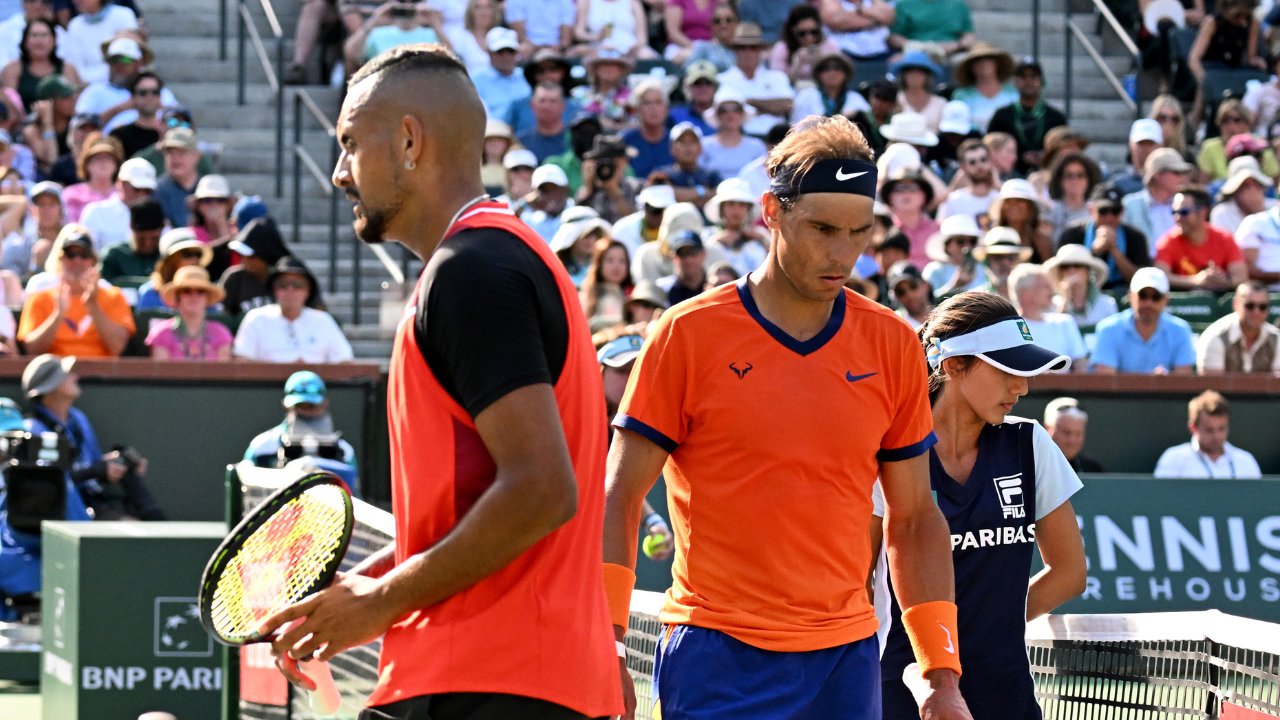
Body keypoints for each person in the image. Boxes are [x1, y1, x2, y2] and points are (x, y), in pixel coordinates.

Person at [255, 44, 625, 718]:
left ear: (407, 141)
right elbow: (482, 500)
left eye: (348, 144)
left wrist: (383, 600)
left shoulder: (470, 272)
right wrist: (365, 591)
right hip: (520, 680)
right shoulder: (500, 259)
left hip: (485, 682)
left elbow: (542, 490)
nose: (340, 172)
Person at [601, 113, 971, 720]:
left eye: (859, 232)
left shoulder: (894, 344)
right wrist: (608, 640)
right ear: (772, 212)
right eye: (822, 229)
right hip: (715, 654)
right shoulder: (685, 333)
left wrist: (940, 673)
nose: (842, 253)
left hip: (845, 661)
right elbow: (619, 494)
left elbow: (913, 519)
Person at [873, 291, 1084, 720]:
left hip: (1007, 697)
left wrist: (991, 623)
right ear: (952, 365)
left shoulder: (1031, 443)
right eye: (1008, 369)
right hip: (903, 694)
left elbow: (1070, 573)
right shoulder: (886, 450)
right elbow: (857, 585)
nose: (1021, 388)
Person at [24, 353, 164, 521]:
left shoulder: (78, 418)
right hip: (63, 509)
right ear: (51, 386)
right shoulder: (34, 429)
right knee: (130, 528)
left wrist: (115, 465)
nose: (75, 377)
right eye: (67, 375)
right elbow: (49, 483)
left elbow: (91, 464)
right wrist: (96, 470)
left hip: (94, 502)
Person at [597, 334, 674, 560]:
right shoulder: (579, 419)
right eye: (622, 371)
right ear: (598, 373)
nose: (633, 379)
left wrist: (652, 520)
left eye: (639, 369)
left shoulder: (644, 422)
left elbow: (620, 483)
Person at [17, 225, 134, 357]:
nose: (77, 260)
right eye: (70, 254)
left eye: (84, 255)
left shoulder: (114, 296)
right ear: (60, 260)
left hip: (101, 373)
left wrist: (92, 304)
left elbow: (117, 347)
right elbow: (31, 350)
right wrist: (57, 315)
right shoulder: (39, 298)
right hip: (55, 372)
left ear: (93, 261)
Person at [234, 256, 351, 363]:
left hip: (317, 384)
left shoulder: (324, 321)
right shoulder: (256, 318)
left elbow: (344, 361)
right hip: (267, 385)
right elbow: (242, 360)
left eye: (297, 285)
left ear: (308, 290)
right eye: (283, 285)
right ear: (274, 289)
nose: (290, 290)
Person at [244, 371, 357, 472]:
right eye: (299, 406)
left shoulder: (344, 452)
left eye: (311, 406)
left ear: (325, 404)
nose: (306, 413)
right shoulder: (262, 447)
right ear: (285, 406)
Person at [1092, 266, 1195, 374]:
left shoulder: (1181, 330)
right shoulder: (1108, 329)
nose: (1148, 303)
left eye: (1156, 297)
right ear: (1131, 296)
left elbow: (1183, 380)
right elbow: (1106, 382)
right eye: (1143, 295)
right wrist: (1149, 382)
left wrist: (1161, 383)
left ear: (1166, 300)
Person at [1187, 0, 1266, 130]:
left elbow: (1250, 57)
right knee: (1208, 83)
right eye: (1237, 16)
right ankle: (1197, 120)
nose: (1241, 21)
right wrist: (1204, 80)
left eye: (1244, 16)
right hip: (1213, 70)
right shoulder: (1212, 22)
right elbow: (1193, 59)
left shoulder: (1252, 23)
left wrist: (1256, 61)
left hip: (1236, 72)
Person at [1154, 184, 1248, 291]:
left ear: (1203, 212)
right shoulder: (1168, 241)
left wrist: (1223, 281)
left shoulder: (1224, 238)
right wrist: (1196, 281)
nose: (1178, 218)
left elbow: (1241, 277)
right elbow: (1160, 276)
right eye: (1174, 212)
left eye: (1184, 212)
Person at [1057, 183, 1149, 290]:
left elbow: (1139, 281)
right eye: (1103, 211)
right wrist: (1095, 251)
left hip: (1123, 293)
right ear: (1091, 210)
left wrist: (1114, 249)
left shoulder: (1135, 237)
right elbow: (1065, 273)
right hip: (1082, 291)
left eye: (1115, 211)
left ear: (1122, 211)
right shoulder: (1072, 234)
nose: (1109, 217)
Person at [1153, 390, 1261, 478]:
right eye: (1209, 430)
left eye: (1221, 429)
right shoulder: (1174, 459)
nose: (1216, 436)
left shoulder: (1246, 461)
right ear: (1193, 428)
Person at [986, 59, 1067, 175]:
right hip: (1008, 174)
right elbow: (990, 146)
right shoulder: (1002, 115)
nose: (1028, 81)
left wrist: (1046, 156)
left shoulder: (1056, 117)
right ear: (1015, 81)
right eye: (1023, 76)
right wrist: (1019, 157)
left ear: (1042, 81)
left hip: (1048, 173)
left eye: (1033, 76)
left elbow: (1066, 147)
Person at [716, 22, 794, 136]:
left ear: (760, 49)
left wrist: (749, 103)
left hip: (777, 138)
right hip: (742, 138)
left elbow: (787, 105)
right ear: (735, 50)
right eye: (742, 47)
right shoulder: (722, 79)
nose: (747, 52)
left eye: (753, 47)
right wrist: (771, 108)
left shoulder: (777, 77)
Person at [1007, 263, 1088, 371]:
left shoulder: (1065, 322)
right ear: (1025, 293)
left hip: (1064, 387)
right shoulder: (1008, 328)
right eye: (1045, 286)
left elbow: (1081, 366)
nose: (1052, 291)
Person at [145, 265, 233, 360]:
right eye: (187, 291)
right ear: (177, 297)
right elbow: (160, 373)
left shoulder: (221, 333)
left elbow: (224, 372)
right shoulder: (161, 333)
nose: (194, 296)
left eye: (200, 291)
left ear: (207, 298)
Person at [343, 1, 451, 77]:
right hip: (385, 90)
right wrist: (374, 21)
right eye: (401, 1)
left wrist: (435, 23)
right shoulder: (378, 33)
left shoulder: (430, 34)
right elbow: (351, 53)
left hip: (422, 89)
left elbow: (452, 58)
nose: (407, 5)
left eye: (414, 1)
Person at [1197, 280, 1280, 373]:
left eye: (1263, 306)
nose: (1256, 312)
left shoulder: (1276, 338)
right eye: (1250, 306)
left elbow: (1276, 383)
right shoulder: (1215, 337)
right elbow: (1212, 384)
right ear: (1236, 304)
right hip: (1221, 388)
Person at [0, 18, 80, 112]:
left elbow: (75, 104)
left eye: (44, 35)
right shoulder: (11, 69)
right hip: (23, 124)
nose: (39, 41)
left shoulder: (67, 68)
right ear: (25, 40)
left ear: (54, 40)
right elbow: (9, 110)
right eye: (34, 35)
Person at [218, 219, 296, 315]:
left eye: (249, 256)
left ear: (265, 255)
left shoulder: (293, 281)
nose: (243, 260)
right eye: (241, 255)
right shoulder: (235, 279)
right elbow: (222, 319)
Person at [1121, 147, 1192, 251]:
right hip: (1141, 266)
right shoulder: (1130, 205)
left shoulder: (1185, 207)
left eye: (1183, 173)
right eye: (1177, 172)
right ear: (1157, 175)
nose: (1182, 178)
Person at [80, 156, 154, 252]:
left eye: (147, 191)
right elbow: (85, 253)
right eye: (137, 189)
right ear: (122, 184)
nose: (142, 195)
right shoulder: (95, 212)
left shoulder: (155, 216)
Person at [1198, 101, 1280, 182]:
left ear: (1248, 123)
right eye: (1225, 120)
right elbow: (1203, 185)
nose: (1231, 125)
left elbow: (1275, 183)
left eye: (1237, 120)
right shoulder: (1210, 147)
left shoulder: (1261, 146)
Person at [62, 0, 137, 86]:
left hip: (124, 84)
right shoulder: (74, 25)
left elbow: (128, 59)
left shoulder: (124, 15)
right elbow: (76, 65)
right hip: (86, 88)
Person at [0, 180, 63, 282]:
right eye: (41, 205)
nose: (46, 210)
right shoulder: (16, 250)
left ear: (62, 210)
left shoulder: (75, 247)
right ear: (32, 210)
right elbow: (13, 290)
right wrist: (35, 267)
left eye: (52, 205)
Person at [703, 177, 767, 276]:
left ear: (748, 209)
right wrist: (714, 241)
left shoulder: (761, 235)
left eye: (742, 205)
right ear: (721, 208)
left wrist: (763, 240)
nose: (736, 210)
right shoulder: (708, 235)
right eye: (730, 204)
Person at [136, 227, 211, 310]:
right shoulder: (149, 294)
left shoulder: (206, 293)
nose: (194, 259)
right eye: (187, 254)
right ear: (170, 260)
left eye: (197, 254)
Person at [1044, 243, 1118, 327]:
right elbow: (1054, 333)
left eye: (1077, 265)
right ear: (1059, 273)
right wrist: (1065, 301)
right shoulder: (1050, 305)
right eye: (1065, 267)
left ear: (1088, 271)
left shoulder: (1107, 304)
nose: (1071, 270)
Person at [950, 43, 1018, 135]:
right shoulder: (961, 95)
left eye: (988, 58)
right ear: (971, 67)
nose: (984, 63)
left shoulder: (1012, 92)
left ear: (997, 63)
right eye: (977, 60)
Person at [768, 5, 841, 89]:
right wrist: (797, 66)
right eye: (802, 33)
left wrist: (822, 65)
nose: (809, 37)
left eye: (814, 32)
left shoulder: (829, 46)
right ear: (793, 31)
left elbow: (839, 81)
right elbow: (778, 85)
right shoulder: (782, 48)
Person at [699, 90, 768, 179]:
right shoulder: (704, 145)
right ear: (717, 114)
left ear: (742, 114)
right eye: (723, 110)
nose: (730, 114)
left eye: (736, 109)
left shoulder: (756, 146)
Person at [469, 27, 531, 123]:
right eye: (500, 52)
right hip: (491, 132)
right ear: (489, 52)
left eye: (510, 52)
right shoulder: (475, 80)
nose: (506, 57)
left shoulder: (527, 76)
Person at [882, 167, 938, 270]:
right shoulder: (882, 231)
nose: (906, 194)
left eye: (913, 188)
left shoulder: (938, 230)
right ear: (890, 197)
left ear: (924, 196)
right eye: (899, 188)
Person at [98, 196, 162, 286]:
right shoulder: (114, 256)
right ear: (131, 227)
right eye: (141, 238)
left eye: (153, 238)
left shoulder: (169, 257)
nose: (147, 244)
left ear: (162, 229)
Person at [654, 122, 721, 207]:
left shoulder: (712, 176)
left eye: (693, 142)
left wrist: (680, 194)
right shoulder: (661, 174)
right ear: (672, 148)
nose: (687, 147)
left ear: (700, 148)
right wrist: (702, 191)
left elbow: (719, 198)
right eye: (682, 142)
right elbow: (663, 195)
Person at [790, 52, 869, 124]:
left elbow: (869, 128)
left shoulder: (856, 99)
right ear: (818, 74)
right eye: (825, 68)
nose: (832, 72)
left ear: (846, 74)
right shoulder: (806, 96)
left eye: (837, 68)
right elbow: (796, 129)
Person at [577, 134, 640, 225]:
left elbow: (638, 226)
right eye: (603, 161)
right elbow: (576, 223)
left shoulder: (636, 187)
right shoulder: (585, 192)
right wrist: (588, 191)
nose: (608, 166)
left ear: (624, 161)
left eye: (614, 160)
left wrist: (614, 193)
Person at [62, 133, 122, 223]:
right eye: (97, 158)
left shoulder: (123, 195)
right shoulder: (72, 194)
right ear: (86, 164)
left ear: (116, 164)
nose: (103, 162)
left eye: (108, 157)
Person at [936, 139, 997, 226]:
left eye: (983, 160)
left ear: (990, 161)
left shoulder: (1001, 198)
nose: (979, 166)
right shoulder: (952, 201)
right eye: (972, 162)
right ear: (963, 167)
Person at [1044, 153, 1101, 245]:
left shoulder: (1097, 211)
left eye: (1080, 175)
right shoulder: (1050, 211)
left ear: (1088, 180)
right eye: (1069, 175)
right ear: (1060, 180)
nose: (1075, 180)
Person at [622, 79, 674, 179]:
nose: (653, 108)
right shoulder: (625, 141)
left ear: (666, 108)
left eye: (658, 102)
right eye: (646, 103)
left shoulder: (676, 141)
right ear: (637, 110)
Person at [573, 48, 634, 132]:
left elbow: (638, 124)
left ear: (621, 70)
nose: (609, 69)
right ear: (595, 69)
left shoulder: (632, 95)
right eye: (604, 65)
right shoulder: (579, 93)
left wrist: (614, 127)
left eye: (614, 65)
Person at [887, 0, 975, 58]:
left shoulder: (959, 5)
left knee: (966, 62)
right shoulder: (903, 5)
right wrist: (916, 46)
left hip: (951, 53)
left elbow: (968, 35)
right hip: (915, 53)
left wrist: (957, 45)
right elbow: (894, 37)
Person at [819, 0, 897, 65]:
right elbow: (837, 21)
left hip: (881, 52)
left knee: (900, 58)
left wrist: (860, 9)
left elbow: (888, 16)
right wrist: (874, 21)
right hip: (845, 53)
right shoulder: (831, 1)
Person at [153, 126, 202, 228]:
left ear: (196, 156)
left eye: (181, 152)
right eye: (170, 152)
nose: (175, 158)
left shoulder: (207, 188)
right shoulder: (156, 191)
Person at [923, 214, 984, 295]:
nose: (967, 246)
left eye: (972, 241)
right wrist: (955, 286)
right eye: (960, 241)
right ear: (946, 245)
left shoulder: (984, 268)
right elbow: (928, 301)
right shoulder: (935, 271)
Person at [1211, 156, 1274, 234]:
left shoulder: (1275, 207)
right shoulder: (1221, 214)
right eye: (1244, 185)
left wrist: (1259, 211)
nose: (1251, 191)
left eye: (1254, 184)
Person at [579, 237, 633, 328]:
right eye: (609, 260)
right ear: (599, 264)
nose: (616, 266)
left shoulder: (634, 295)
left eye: (622, 261)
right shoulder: (588, 296)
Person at [610, 183, 673, 258]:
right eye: (656, 211)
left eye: (666, 211)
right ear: (644, 207)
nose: (661, 216)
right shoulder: (622, 230)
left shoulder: (679, 230)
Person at [890, 51, 947, 133]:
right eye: (909, 69)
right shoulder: (894, 99)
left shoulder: (941, 103)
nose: (915, 74)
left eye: (920, 70)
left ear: (927, 75)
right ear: (903, 74)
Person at [1043, 397, 1104, 473]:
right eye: (1066, 432)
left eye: (1078, 434)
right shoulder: (1031, 465)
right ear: (1047, 429)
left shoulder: (1093, 469)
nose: (1072, 441)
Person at [515, 163, 574, 241]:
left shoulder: (580, 215)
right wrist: (524, 202)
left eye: (554, 189)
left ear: (566, 190)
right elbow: (508, 226)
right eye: (544, 190)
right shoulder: (530, 221)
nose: (550, 195)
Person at [572, 0, 652, 57]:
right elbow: (579, 33)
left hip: (629, 48)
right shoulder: (587, 2)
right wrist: (596, 37)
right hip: (598, 46)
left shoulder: (633, 3)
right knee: (579, 51)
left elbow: (642, 38)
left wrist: (631, 48)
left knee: (646, 54)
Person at [972, 226, 1030, 299]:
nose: (1005, 263)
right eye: (998, 258)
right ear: (987, 262)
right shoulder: (975, 300)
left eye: (1011, 258)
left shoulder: (1034, 297)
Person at [1110, 118, 1164, 197]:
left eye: (1150, 143)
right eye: (1141, 143)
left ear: (1160, 146)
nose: (1146, 148)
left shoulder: (1169, 181)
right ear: (1131, 145)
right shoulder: (1118, 182)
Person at [443, 0, 498, 73]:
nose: (483, 12)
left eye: (488, 7)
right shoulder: (460, 37)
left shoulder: (501, 34)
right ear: (470, 11)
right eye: (478, 7)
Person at [657, 228, 707, 305]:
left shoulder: (715, 284)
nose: (688, 259)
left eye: (693, 252)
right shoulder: (663, 289)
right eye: (682, 253)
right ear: (673, 257)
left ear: (703, 254)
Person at [685, 1, 738, 73]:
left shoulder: (747, 48)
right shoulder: (704, 49)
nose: (723, 25)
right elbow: (687, 73)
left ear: (737, 22)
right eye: (717, 21)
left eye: (728, 20)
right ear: (711, 24)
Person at [507, 0, 575, 55]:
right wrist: (538, 48)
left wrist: (560, 46)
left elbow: (566, 37)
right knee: (520, 50)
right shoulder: (514, 1)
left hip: (556, 48)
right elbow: (519, 35)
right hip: (528, 46)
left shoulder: (565, 1)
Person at [670, 60, 718, 136]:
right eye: (697, 83)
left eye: (708, 83)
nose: (703, 88)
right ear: (688, 87)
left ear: (716, 87)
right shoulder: (675, 115)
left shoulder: (725, 114)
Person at [664, 0, 717, 66]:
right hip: (681, 46)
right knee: (684, 57)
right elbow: (673, 32)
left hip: (710, 46)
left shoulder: (719, 2)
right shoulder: (677, 1)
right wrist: (696, 49)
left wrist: (711, 47)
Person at [887, 260, 931, 329]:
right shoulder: (893, 324)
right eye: (900, 292)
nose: (909, 295)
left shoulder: (945, 315)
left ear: (925, 285)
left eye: (913, 286)